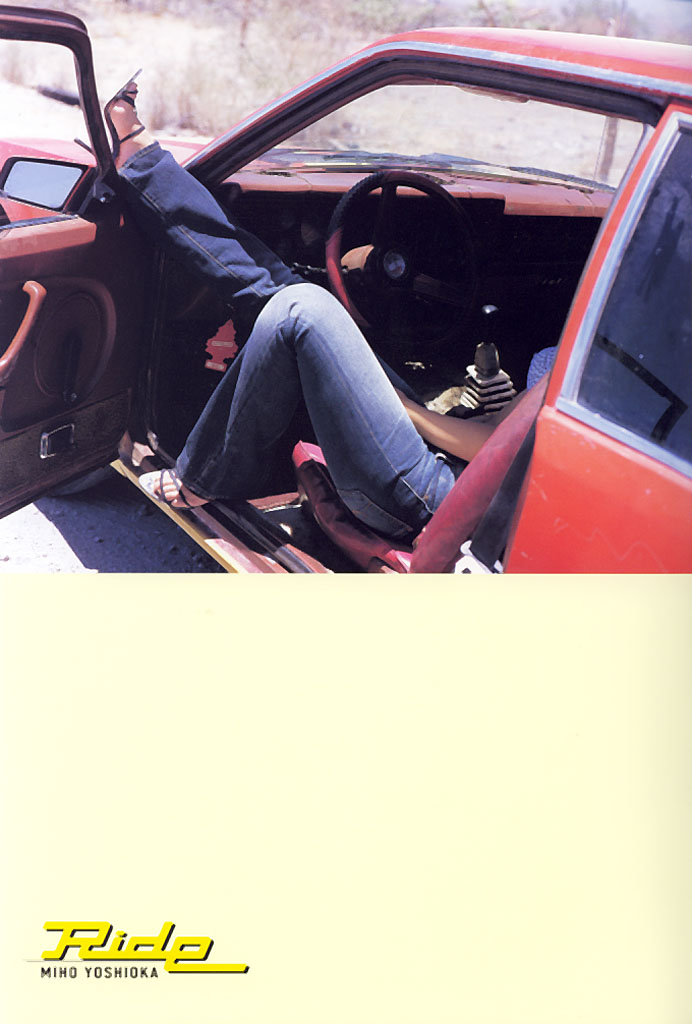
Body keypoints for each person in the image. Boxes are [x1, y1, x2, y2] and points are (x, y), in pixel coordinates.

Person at [107, 80, 540, 541]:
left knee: (300, 309)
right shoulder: (590, 353)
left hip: (439, 495)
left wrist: (409, 411)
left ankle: (205, 477)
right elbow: (506, 434)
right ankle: (144, 162)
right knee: (279, 287)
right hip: (461, 471)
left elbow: (490, 446)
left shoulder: (591, 366)